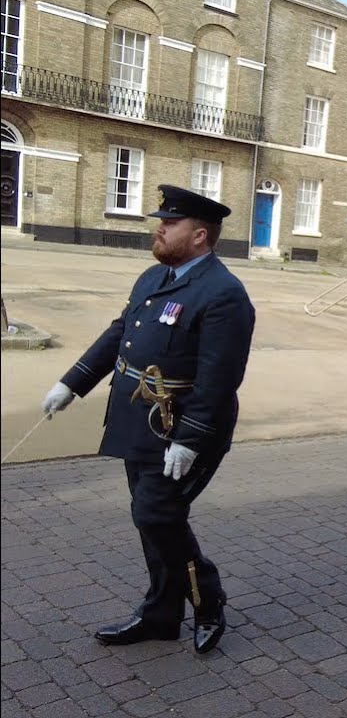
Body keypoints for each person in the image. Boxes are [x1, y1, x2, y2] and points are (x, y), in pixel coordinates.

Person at [40, 185, 254, 654]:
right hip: (141, 418)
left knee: (156, 513)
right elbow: (120, 333)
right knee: (153, 518)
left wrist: (191, 438)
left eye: (170, 223)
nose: (159, 228)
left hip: (186, 427)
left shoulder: (224, 294)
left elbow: (221, 377)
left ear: (200, 235)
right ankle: (161, 615)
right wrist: (72, 383)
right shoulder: (155, 277)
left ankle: (207, 599)